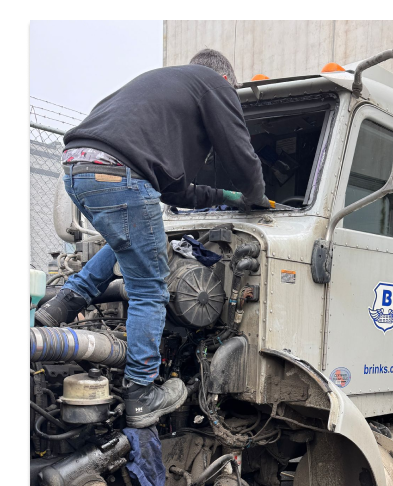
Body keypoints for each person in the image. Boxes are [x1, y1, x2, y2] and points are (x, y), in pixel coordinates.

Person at [37, 49, 268, 428]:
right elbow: (241, 155)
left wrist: (227, 197)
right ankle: (142, 393)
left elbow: (176, 192)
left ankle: (61, 305)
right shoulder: (216, 84)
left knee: (126, 240)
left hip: (77, 168)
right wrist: (257, 198)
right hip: (119, 173)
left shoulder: (164, 93)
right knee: (150, 290)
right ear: (227, 80)